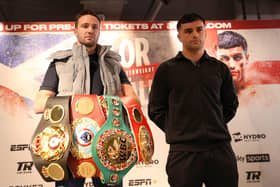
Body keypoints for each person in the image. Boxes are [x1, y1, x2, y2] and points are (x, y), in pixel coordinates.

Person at [33, 9, 140, 187]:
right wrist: (80, 105)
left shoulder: (113, 64)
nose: (89, 30)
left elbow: (133, 101)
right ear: (75, 30)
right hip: (69, 143)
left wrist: (104, 106)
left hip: (110, 142)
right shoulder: (60, 63)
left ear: (99, 31)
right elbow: (39, 104)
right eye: (84, 26)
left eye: (94, 27)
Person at [148, 13, 239, 187]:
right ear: (179, 36)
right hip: (183, 153)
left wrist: (214, 122)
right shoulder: (166, 70)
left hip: (220, 149)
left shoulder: (220, 69)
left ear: (205, 32)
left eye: (199, 30)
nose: (195, 35)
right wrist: (178, 128)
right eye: (188, 31)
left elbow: (230, 105)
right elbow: (155, 109)